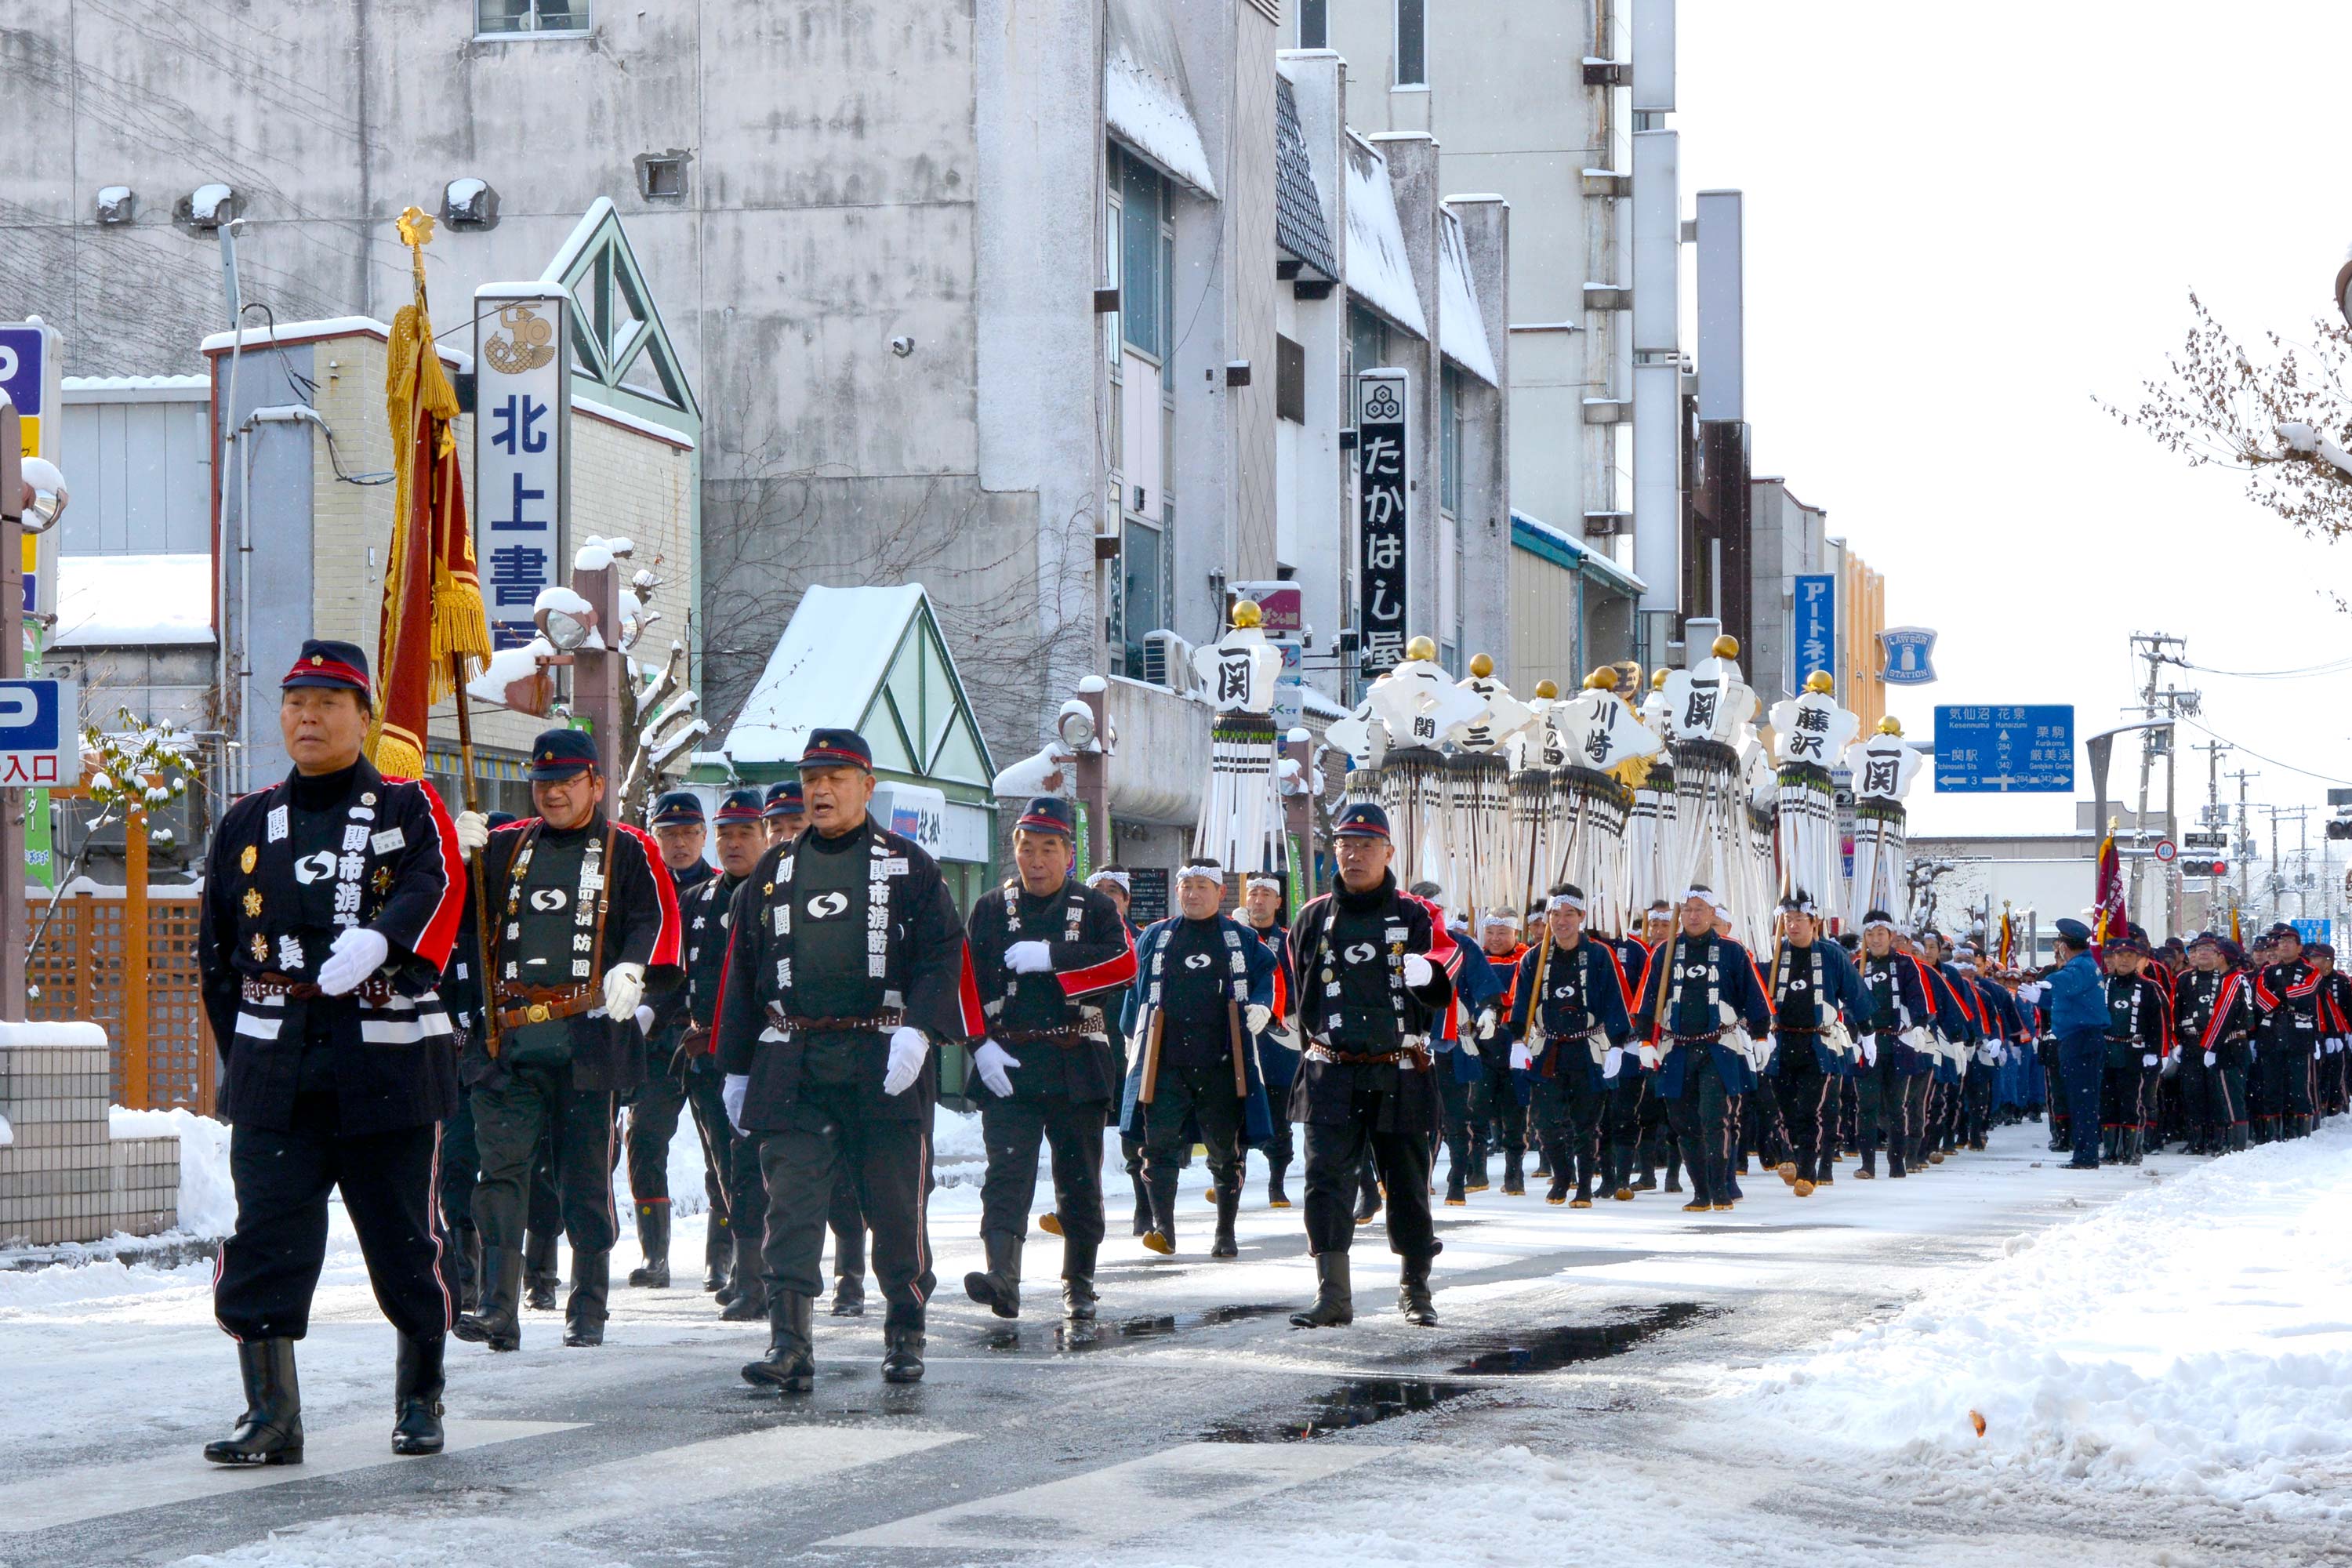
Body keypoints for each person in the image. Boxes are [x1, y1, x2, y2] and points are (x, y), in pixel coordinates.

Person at [198, 640, 466, 1463]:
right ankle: (272, 1411)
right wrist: (242, 1053)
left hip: (383, 1063)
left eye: (327, 702)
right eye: (295, 701)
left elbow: (438, 886)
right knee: (267, 1233)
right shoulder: (246, 819)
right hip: (277, 1065)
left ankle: (420, 1394)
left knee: (400, 1238)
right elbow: (218, 953)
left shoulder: (407, 807)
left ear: (364, 715)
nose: (307, 716)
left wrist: (383, 942)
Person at [717, 729, 971, 1392]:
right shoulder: (773, 871)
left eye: (836, 778)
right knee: (792, 1206)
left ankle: (905, 1330)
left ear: (868, 785)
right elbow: (740, 973)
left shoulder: (909, 866)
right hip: (793, 1061)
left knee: (894, 1205)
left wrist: (918, 1031)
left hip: (882, 1058)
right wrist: (736, 1067)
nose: (821, 791)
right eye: (810, 780)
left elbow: (946, 955)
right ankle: (790, 1342)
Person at [448, 731, 682, 1352]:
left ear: (596, 786)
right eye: (543, 782)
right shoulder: (501, 847)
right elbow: (450, 912)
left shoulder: (627, 849)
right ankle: (500, 1306)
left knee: (584, 1175)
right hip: (511, 1040)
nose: (553, 793)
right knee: (501, 1174)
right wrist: (453, 853)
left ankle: (589, 1303)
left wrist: (634, 966)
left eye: (568, 781)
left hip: (588, 1038)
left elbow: (653, 916)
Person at [1282, 803, 1457, 1329]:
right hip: (1330, 1070)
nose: (1354, 856)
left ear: (1388, 852)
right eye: (1345, 846)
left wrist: (1426, 970)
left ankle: (1416, 1288)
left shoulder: (1415, 914)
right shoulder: (1313, 915)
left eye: (1366, 846)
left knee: (1405, 1181)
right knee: (1326, 1183)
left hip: (1399, 1068)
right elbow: (1294, 983)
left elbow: (1446, 974)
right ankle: (1333, 1295)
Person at [961, 798, 1138, 1318]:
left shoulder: (1096, 909)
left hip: (1075, 1057)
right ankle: (1002, 1277)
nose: (1035, 860)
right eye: (1025, 848)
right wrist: (979, 1045)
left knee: (1078, 1175)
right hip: (1008, 1058)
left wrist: (1053, 956)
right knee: (1006, 1174)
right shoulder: (992, 907)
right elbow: (965, 981)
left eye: (1047, 849)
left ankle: (1079, 1281)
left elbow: (1125, 966)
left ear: (1068, 854)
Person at [1118, 855, 1276, 1261]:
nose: (1193, 894)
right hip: (1164, 1059)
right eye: (1186, 887)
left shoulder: (1240, 938)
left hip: (1223, 1060)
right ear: (1177, 891)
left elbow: (1267, 976)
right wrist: (1129, 1034)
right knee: (1158, 1144)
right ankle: (1163, 1228)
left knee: (1225, 1149)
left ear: (1221, 894)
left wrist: (1262, 1006)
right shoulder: (1156, 935)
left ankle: (1225, 1231)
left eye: (1202, 887)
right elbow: (1134, 990)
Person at [623, 790, 720, 1294]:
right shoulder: (641, 888)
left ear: (703, 836)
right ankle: (653, 1255)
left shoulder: (722, 889)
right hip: (653, 1044)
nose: (679, 844)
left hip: (704, 1035)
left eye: (688, 833)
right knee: (644, 1139)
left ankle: (720, 1259)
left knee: (719, 1146)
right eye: (668, 834)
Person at [679, 789, 770, 1306]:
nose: (733, 844)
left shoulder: (779, 895)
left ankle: (761, 1276)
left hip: (767, 1052)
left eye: (744, 833)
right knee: (725, 1167)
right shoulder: (696, 901)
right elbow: (675, 978)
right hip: (708, 1053)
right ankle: (743, 1270)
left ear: (764, 836)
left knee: (758, 1164)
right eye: (726, 834)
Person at [1634, 888, 1773, 1212]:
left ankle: (1721, 1186)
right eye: (1688, 910)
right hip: (1677, 1047)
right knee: (1683, 1123)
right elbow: (1648, 999)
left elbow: (1754, 995)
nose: (1693, 916)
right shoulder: (1665, 952)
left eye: (1700, 909)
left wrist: (1762, 1034)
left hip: (1719, 1046)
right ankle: (1700, 1189)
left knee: (1715, 1119)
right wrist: (1644, 1040)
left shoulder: (1732, 951)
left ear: (1713, 913)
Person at [1504, 885, 1635, 1207]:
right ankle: (1562, 1177)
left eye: (1568, 915)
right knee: (1545, 1121)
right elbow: (1521, 1002)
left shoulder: (1599, 955)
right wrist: (1518, 1039)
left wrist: (1618, 1045)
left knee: (1586, 1123)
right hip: (1549, 1048)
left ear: (1581, 917)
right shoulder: (1533, 958)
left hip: (1588, 1047)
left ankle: (1585, 1186)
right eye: (1555, 914)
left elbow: (1614, 1000)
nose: (1561, 922)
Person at [437, 808, 515, 1314]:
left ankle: (531, 1271)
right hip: (456, 1066)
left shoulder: (513, 924)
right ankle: (467, 1276)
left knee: (512, 1171)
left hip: (510, 1065)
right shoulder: (447, 920)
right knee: (457, 1167)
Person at [1762, 893, 1865, 1195]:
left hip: (1818, 1042)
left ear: (1814, 922)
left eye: (1798, 920)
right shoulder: (1774, 955)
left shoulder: (1832, 956)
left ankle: (1808, 1170)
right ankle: (1787, 1155)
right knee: (1780, 1107)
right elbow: (1756, 994)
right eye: (1787, 920)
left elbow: (1854, 993)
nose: (1793, 926)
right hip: (1781, 1040)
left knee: (1811, 1109)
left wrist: (1867, 1031)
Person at [1849, 911, 1930, 1179]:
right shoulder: (1857, 965)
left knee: (1897, 1107)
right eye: (1870, 935)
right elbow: (1848, 1004)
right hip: (1867, 1042)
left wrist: (1920, 1024)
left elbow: (1918, 997)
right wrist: (1852, 1038)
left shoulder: (1907, 965)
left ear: (1891, 936)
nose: (1875, 940)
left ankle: (1898, 1163)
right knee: (1867, 1106)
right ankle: (1867, 1164)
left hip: (1897, 1042)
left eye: (1880, 934)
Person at [1240, 874, 1300, 1207]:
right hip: (1239, 1035)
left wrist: (1273, 1007)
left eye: (1266, 894)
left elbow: (1298, 985)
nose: (1258, 900)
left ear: (1278, 902)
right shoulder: (1234, 936)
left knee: (1279, 1111)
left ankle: (1277, 1183)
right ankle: (1233, 1177)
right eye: (1253, 893)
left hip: (1278, 1035)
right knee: (1236, 1108)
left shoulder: (1290, 941)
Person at [2175, 931, 2254, 1155]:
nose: (2208, 955)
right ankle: (2204, 1140)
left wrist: (2211, 1046)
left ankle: (2233, 1143)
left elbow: (2224, 1016)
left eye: (2215, 952)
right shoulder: (2187, 979)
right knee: (2197, 1094)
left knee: (2228, 1095)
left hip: (2227, 1045)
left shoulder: (2233, 980)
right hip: (2200, 1043)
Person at [2042, 918, 2109, 1170]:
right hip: (2079, 1038)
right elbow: (2069, 1001)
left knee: (2083, 1101)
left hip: (2081, 1038)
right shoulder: (2084, 964)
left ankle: (2086, 1155)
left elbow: (2064, 982)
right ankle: (2084, 1152)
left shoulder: (2079, 966)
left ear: (2065, 946)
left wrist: (2046, 983)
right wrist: (2041, 997)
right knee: (2081, 1099)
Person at [2098, 935, 2169, 1164]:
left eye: (2130, 956)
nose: (2125, 960)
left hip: (2133, 1052)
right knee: (2107, 1102)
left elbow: (2156, 1022)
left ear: (2138, 959)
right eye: (2120, 956)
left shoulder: (2147, 988)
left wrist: (2153, 1051)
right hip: (2108, 1050)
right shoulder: (2103, 985)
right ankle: (2110, 1150)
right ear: (2113, 958)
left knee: (2132, 1103)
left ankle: (2132, 1151)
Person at [2252, 924, 2322, 1142]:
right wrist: (2286, 999)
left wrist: (2280, 995)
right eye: (2280, 943)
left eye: (2289, 942)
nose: (2283, 947)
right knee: (2271, 1086)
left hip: (2299, 1035)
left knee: (2300, 1087)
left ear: (2299, 947)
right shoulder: (2268, 970)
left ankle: (2300, 1134)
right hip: (2271, 1035)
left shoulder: (2311, 971)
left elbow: (2307, 991)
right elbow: (2261, 998)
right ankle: (2274, 1135)